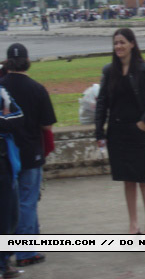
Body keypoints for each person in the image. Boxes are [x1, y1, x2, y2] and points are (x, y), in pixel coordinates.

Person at [95, 28, 145, 234]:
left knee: (144, 179)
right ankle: (133, 225)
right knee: (128, 179)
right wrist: (99, 131)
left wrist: (144, 122)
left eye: (123, 42)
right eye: (116, 43)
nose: (119, 47)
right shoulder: (109, 71)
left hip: (140, 131)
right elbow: (102, 104)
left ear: (132, 44)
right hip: (118, 132)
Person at [0, 43, 57, 268]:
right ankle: (26, 251)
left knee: (9, 203)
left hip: (6, 153)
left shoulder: (1, 87)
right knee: (27, 202)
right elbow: (47, 126)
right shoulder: (37, 89)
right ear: (27, 61)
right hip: (31, 152)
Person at [0, 81, 23, 279]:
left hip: (4, 162)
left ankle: (5, 260)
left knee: (10, 215)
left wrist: (5, 119)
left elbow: (19, 116)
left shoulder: (2, 92)